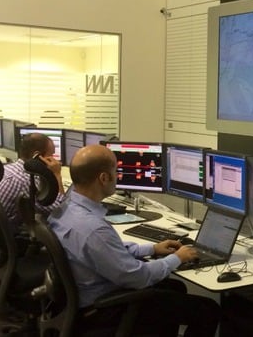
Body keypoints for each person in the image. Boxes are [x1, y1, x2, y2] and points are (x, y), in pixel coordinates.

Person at [48, 144, 220, 336]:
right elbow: (138, 277)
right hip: (103, 308)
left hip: (83, 296)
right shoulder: (93, 229)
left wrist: (151, 249)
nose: (119, 176)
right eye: (116, 171)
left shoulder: (67, 208)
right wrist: (178, 258)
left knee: (175, 287)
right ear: (104, 178)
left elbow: (105, 251)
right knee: (207, 309)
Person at [0, 132, 66, 253]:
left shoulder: (7, 168)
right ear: (37, 156)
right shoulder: (27, 180)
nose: (55, 160)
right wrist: (57, 174)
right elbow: (59, 210)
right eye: (52, 155)